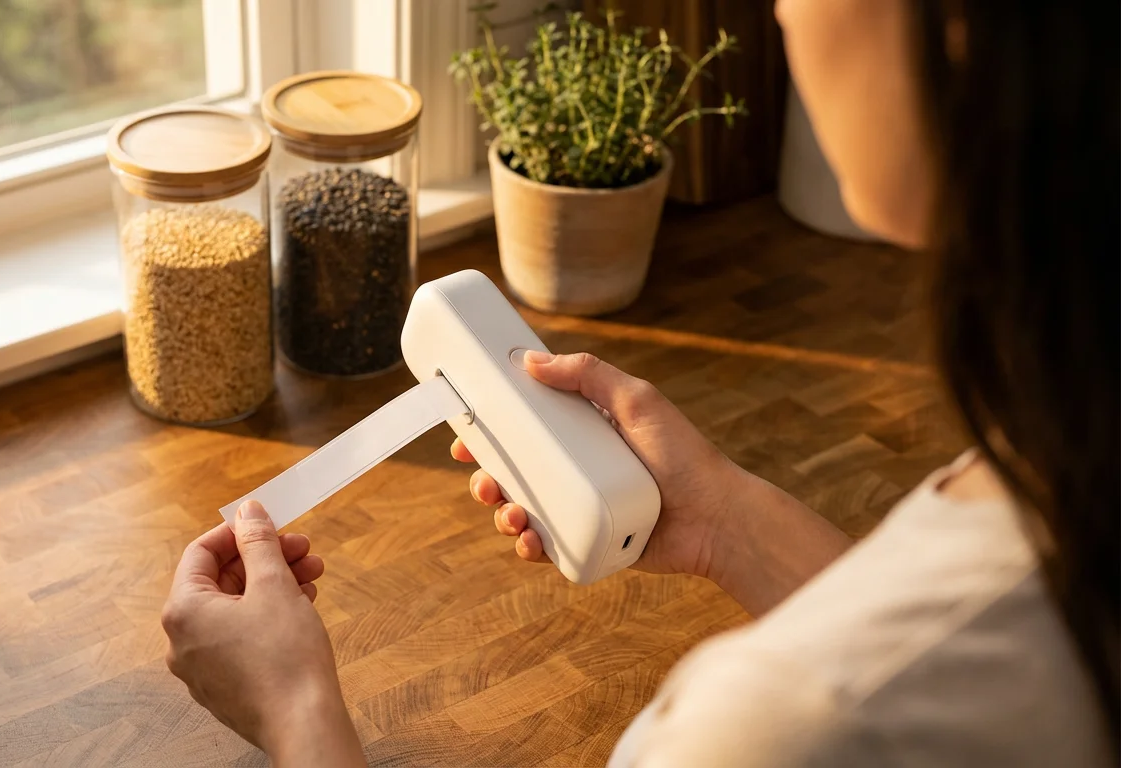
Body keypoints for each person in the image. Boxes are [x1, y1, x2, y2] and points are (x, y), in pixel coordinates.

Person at [160, 0, 1119, 764]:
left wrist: (297, 717)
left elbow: (890, 684)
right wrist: (725, 523)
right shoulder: (1067, 457)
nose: (783, 14)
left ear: (973, 30)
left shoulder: (779, 728)